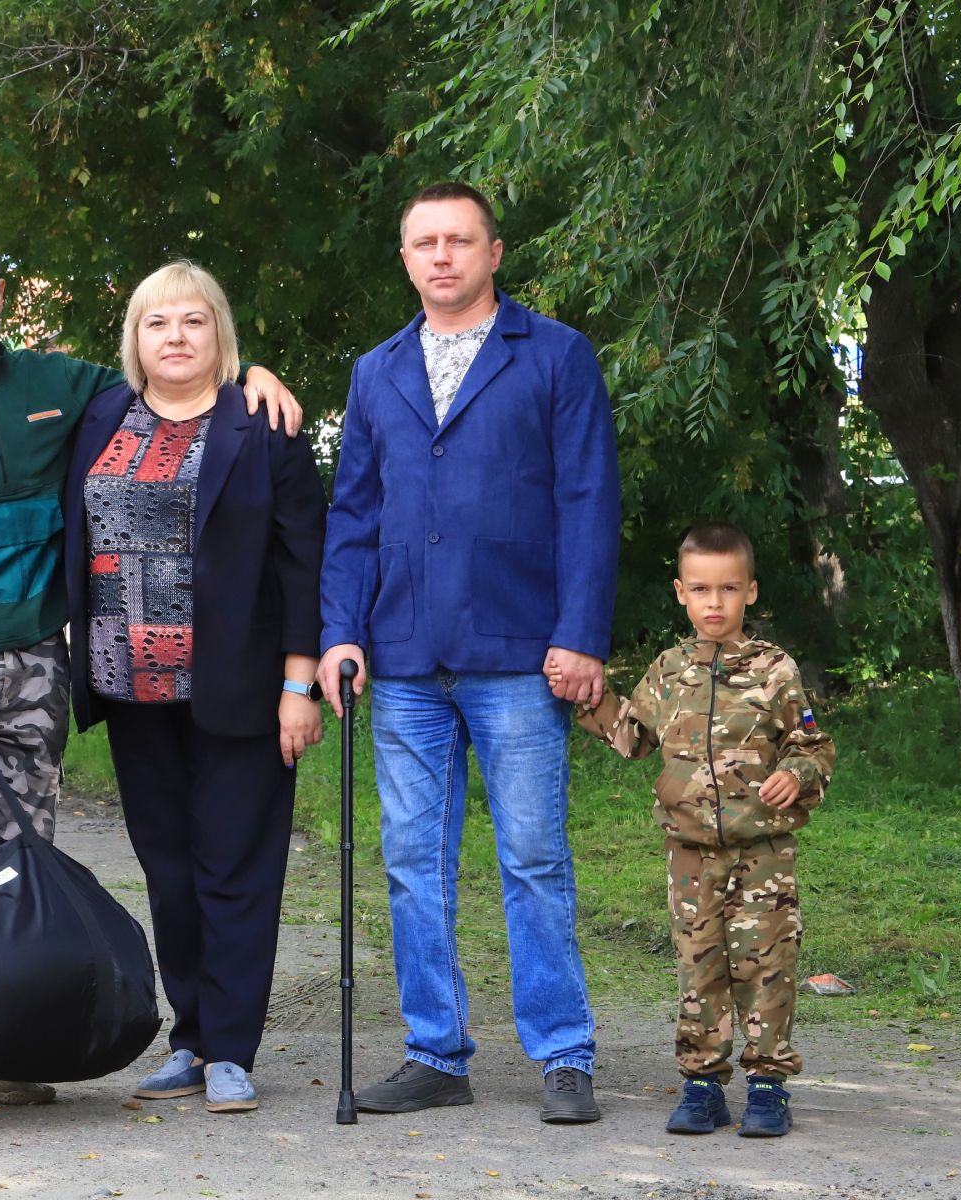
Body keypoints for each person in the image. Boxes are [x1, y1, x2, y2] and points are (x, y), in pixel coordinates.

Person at [0, 232, 300, 1118]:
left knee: (27, 864)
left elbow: (187, 386)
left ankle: (18, 1049)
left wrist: (262, 376)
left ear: (2, 295)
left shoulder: (69, 388)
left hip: (52, 667)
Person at [315, 182, 620, 1122]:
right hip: (403, 652)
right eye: (423, 243)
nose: (441, 255)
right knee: (414, 860)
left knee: (532, 856)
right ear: (405, 259)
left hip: (518, 649)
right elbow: (355, 513)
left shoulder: (557, 355)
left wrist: (579, 635)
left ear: (495, 251)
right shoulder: (377, 371)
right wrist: (340, 632)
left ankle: (563, 1055)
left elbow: (588, 502)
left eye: (459, 240)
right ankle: (436, 1053)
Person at [61, 261, 327, 1114]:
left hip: (242, 686)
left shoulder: (263, 422)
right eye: (156, 323)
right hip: (131, 686)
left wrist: (301, 683)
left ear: (222, 334)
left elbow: (302, 562)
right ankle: (190, 1037)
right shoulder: (102, 412)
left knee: (236, 871)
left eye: (193, 321)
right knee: (170, 874)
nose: (175, 337)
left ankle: (232, 1052)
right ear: (133, 341)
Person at [573, 522, 834, 1138]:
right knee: (700, 968)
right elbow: (632, 738)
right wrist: (585, 699)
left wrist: (795, 775)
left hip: (763, 855)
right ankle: (701, 1087)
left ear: (750, 592)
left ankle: (768, 1087)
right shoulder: (668, 671)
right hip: (690, 857)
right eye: (701, 589)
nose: (714, 603)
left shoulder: (775, 671)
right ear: (680, 593)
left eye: (728, 589)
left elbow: (814, 745)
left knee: (766, 968)